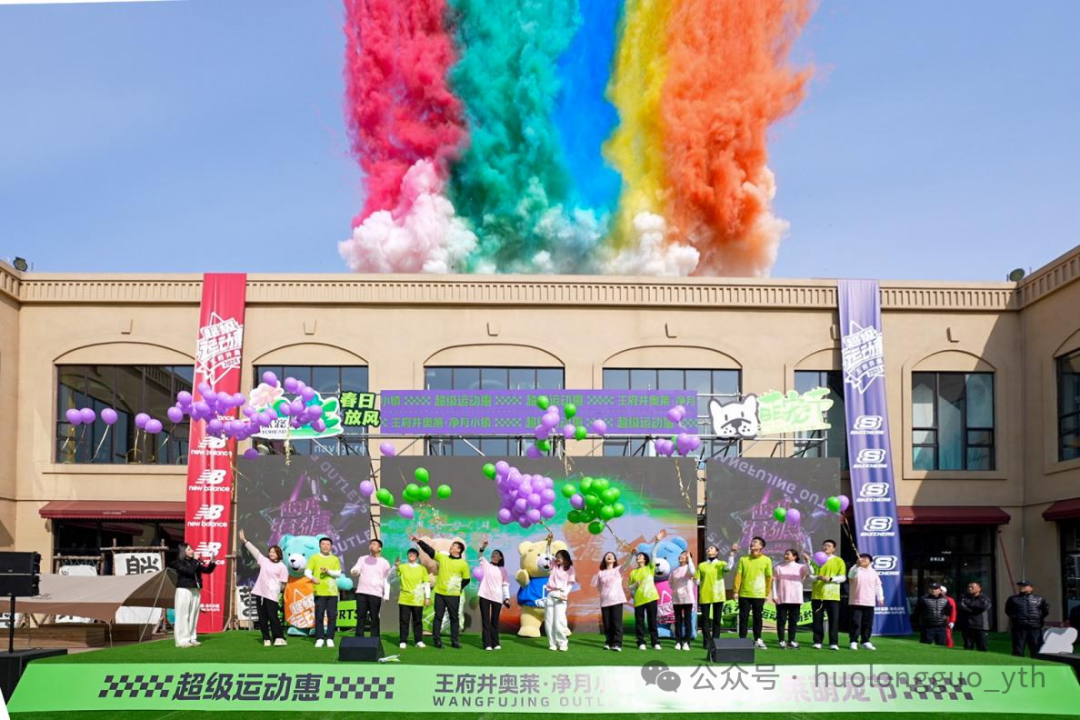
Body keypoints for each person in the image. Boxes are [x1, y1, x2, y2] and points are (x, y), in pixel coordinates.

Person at [412, 534, 470, 649]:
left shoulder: (463, 564)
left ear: (459, 550)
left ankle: (454, 641)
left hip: (453, 595)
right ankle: (437, 640)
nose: (451, 547)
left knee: (454, 618)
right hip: (440, 593)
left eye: (454, 546)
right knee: (438, 617)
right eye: (451, 546)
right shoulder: (443, 558)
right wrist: (419, 542)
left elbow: (466, 579)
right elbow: (430, 551)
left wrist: (458, 588)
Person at [238, 529, 288, 647]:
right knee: (262, 618)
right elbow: (255, 551)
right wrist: (245, 541)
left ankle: (278, 637)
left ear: (279, 554)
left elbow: (283, 584)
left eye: (274, 552)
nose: (271, 554)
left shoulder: (282, 567)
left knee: (273, 617)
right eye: (270, 552)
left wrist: (275, 590)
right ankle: (266, 638)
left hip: (272, 595)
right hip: (260, 594)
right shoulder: (264, 561)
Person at [169, 543, 218, 648]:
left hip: (195, 590)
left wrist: (212, 563)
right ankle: (182, 640)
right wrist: (196, 560)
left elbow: (207, 570)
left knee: (193, 615)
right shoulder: (177, 563)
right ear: (183, 551)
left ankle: (192, 638)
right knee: (183, 616)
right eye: (189, 549)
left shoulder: (195, 562)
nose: (192, 551)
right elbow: (189, 571)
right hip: (184, 590)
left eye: (192, 549)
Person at [733, 536, 773, 650]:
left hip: (759, 594)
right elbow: (738, 576)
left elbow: (769, 578)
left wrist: (767, 593)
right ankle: (742, 639)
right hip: (744, 593)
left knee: (757, 617)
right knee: (743, 617)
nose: (752, 543)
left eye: (755, 542)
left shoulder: (766, 560)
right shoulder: (743, 559)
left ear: (761, 546)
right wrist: (736, 591)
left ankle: (758, 639)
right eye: (752, 542)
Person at [805, 539, 846, 650]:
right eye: (824, 545)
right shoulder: (816, 559)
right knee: (817, 619)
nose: (826, 547)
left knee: (834, 620)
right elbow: (811, 576)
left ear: (833, 549)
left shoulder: (838, 561)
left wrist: (830, 579)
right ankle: (818, 641)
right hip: (817, 595)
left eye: (828, 546)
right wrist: (809, 563)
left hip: (833, 596)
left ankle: (833, 643)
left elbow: (843, 577)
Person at [305, 536, 345, 648]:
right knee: (319, 615)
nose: (325, 546)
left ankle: (330, 638)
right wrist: (312, 578)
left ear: (331, 546)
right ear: (319, 546)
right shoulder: (314, 558)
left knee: (332, 616)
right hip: (319, 591)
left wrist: (328, 571)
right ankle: (319, 638)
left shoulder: (335, 559)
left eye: (328, 544)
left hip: (332, 592)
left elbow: (338, 573)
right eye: (323, 544)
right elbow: (307, 571)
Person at [696, 544, 738, 649]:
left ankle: (715, 640)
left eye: (712, 548)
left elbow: (728, 567)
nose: (709, 549)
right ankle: (706, 641)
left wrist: (732, 554)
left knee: (717, 619)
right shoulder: (701, 565)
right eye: (708, 548)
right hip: (705, 594)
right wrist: (693, 577)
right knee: (705, 619)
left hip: (718, 594)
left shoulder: (720, 563)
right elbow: (697, 581)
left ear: (717, 552)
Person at [349, 538, 392, 640]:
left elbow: (387, 579)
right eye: (371, 544)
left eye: (374, 544)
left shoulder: (384, 562)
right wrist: (354, 571)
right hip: (362, 592)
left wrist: (386, 594)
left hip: (376, 593)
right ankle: (359, 638)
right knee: (361, 616)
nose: (371, 546)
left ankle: (374, 638)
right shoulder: (362, 559)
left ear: (379, 548)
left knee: (374, 616)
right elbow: (355, 569)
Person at [476, 540, 510, 651]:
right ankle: (487, 644)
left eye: (496, 554)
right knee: (485, 620)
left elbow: (505, 585)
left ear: (500, 557)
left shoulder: (503, 570)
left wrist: (507, 598)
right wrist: (483, 546)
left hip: (497, 597)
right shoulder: (486, 564)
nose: (494, 555)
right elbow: (480, 555)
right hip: (484, 595)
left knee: (495, 621)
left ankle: (495, 643)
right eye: (493, 553)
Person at [772, 548, 809, 649]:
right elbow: (774, 582)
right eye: (785, 554)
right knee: (781, 621)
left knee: (793, 621)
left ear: (795, 556)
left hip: (795, 598)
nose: (786, 556)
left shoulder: (801, 567)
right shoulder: (778, 567)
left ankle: (791, 641)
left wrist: (807, 561)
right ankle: (781, 641)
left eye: (788, 554)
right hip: (782, 598)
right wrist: (774, 595)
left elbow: (810, 572)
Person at [846, 553, 884, 651]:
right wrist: (857, 565)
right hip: (856, 601)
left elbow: (878, 585)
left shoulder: (874, 572)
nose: (863, 560)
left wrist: (880, 597)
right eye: (861, 558)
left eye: (865, 559)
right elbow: (851, 576)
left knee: (868, 624)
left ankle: (865, 641)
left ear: (870, 561)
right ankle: (853, 641)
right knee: (855, 623)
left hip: (869, 602)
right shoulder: (854, 569)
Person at [394, 548, 430, 649]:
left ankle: (418, 640)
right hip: (404, 598)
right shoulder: (402, 567)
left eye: (413, 553)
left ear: (417, 556)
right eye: (410, 553)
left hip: (418, 599)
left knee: (417, 621)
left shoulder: (422, 568)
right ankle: (403, 640)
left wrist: (427, 597)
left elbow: (426, 583)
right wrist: (395, 566)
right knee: (404, 621)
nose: (411, 555)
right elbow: (393, 576)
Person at [1005, 580, 1050, 657]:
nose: (1021, 587)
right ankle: (1017, 663)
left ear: (1031, 588)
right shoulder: (1013, 599)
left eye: (1024, 586)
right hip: (1019, 628)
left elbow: (1045, 611)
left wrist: (1037, 618)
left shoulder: (1039, 599)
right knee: (1018, 649)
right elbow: (1008, 610)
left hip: (1035, 628)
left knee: (1036, 648)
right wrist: (1016, 618)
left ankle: (1036, 663)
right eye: (1020, 586)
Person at [593, 551, 627, 651]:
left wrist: (632, 554)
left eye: (611, 555)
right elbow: (599, 587)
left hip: (616, 600)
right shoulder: (601, 573)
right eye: (607, 555)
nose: (609, 556)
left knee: (617, 623)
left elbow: (627, 564)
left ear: (615, 560)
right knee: (607, 624)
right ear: (604, 559)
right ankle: (609, 642)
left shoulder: (618, 570)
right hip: (604, 602)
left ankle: (617, 644)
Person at [545, 547, 576, 652]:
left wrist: (564, 594)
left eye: (560, 557)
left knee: (560, 621)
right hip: (550, 594)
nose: (557, 559)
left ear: (565, 558)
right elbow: (548, 554)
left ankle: (562, 643)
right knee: (549, 621)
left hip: (561, 594)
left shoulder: (570, 569)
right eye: (556, 557)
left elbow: (570, 584)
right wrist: (548, 543)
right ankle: (552, 643)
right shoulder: (554, 565)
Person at [629, 551, 661, 650]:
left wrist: (656, 543)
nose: (638, 557)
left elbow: (654, 555)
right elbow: (629, 587)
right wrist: (635, 585)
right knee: (639, 622)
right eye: (637, 556)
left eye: (640, 556)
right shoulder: (633, 572)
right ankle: (641, 642)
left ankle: (655, 642)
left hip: (651, 597)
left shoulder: (650, 568)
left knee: (652, 621)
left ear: (645, 559)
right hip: (639, 599)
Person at [669, 550, 696, 651]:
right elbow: (671, 583)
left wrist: (690, 559)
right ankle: (678, 641)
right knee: (678, 620)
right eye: (681, 555)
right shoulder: (674, 570)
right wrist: (677, 590)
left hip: (687, 597)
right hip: (676, 598)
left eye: (684, 555)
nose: (682, 556)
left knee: (687, 620)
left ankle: (686, 642)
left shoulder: (689, 568)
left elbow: (692, 572)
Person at [958, 581, 991, 652]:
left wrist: (969, 606)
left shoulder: (984, 598)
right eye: (968, 587)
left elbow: (983, 607)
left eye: (972, 587)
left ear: (979, 588)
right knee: (968, 647)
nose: (970, 588)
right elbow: (961, 607)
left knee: (982, 647)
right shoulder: (963, 598)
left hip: (981, 626)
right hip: (967, 626)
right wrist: (974, 607)